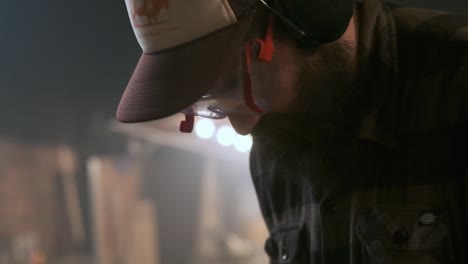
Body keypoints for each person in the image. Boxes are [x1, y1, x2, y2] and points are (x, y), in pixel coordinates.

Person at [116, 0, 468, 262]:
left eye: (243, 81)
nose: (243, 127)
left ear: (313, 13)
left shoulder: (455, 83)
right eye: (213, 104)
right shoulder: (275, 146)